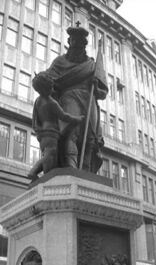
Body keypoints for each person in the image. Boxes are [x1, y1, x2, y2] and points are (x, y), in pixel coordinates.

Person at [43, 23, 108, 172]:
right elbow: (47, 79)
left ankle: (85, 169)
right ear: (69, 42)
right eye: (73, 40)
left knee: (90, 136)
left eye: (79, 41)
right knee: (71, 130)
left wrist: (96, 87)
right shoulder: (60, 62)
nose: (75, 43)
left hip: (89, 99)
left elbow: (103, 92)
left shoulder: (92, 64)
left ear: (84, 44)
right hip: (69, 96)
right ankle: (71, 166)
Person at [28, 72, 84, 181]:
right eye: (50, 87)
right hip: (51, 133)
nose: (52, 89)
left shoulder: (38, 101)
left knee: (49, 155)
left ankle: (44, 175)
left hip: (42, 134)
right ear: (46, 88)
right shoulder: (51, 102)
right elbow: (64, 116)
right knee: (49, 155)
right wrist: (77, 119)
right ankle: (33, 171)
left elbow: (36, 118)